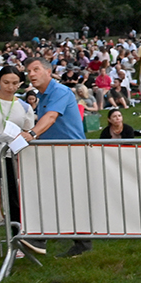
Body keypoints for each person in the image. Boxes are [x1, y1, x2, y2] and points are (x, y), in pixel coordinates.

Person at [22, 57, 92, 258]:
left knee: (63, 197)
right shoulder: (43, 96)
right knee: (58, 196)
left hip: (70, 152)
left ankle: (41, 238)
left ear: (48, 71)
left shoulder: (59, 91)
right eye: (28, 71)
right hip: (55, 152)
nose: (31, 74)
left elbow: (51, 117)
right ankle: (73, 242)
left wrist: (32, 134)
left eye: (35, 69)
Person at [0, 66, 36, 251]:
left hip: (12, 156)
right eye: (6, 83)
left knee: (13, 199)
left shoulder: (24, 106)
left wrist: (25, 137)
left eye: (14, 83)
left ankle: (17, 242)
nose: (10, 87)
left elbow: (29, 130)